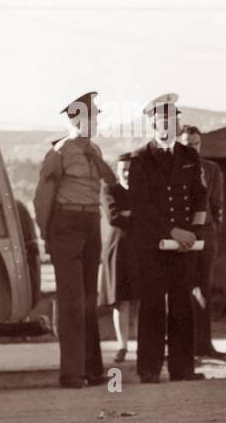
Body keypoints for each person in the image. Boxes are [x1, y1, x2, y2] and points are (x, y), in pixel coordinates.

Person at [33, 91, 115, 388]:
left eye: (96, 117)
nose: (95, 122)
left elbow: (109, 184)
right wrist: (46, 233)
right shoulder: (60, 152)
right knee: (71, 302)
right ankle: (71, 373)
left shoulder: (95, 150)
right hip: (65, 225)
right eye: (91, 117)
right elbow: (43, 197)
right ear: (76, 119)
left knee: (90, 300)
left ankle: (93, 370)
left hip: (91, 222)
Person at [127, 94, 207, 384]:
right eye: (161, 121)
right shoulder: (140, 159)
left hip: (184, 245)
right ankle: (149, 369)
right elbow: (141, 206)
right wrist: (172, 231)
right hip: (153, 245)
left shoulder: (189, 156)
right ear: (151, 124)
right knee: (152, 307)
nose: (168, 126)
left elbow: (200, 198)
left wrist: (194, 233)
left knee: (182, 305)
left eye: (173, 120)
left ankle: (182, 368)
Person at [181, 125, 225, 359]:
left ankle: (205, 345)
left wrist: (213, 231)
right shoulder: (175, 168)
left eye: (195, 144)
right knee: (182, 288)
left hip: (206, 233)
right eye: (187, 144)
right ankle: (182, 346)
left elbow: (217, 205)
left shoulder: (211, 169)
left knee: (204, 289)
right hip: (182, 234)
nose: (192, 148)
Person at [98, 152, 138, 365]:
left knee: (141, 299)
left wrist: (130, 214)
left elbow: (149, 216)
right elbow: (113, 217)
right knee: (120, 300)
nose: (127, 173)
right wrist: (134, 215)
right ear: (117, 170)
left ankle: (142, 345)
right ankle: (122, 345)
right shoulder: (109, 189)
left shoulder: (143, 191)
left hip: (140, 249)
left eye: (130, 169)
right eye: (123, 169)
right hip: (118, 250)